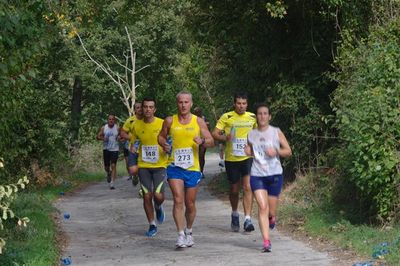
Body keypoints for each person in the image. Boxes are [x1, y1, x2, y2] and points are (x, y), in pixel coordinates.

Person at [158, 91, 214, 248]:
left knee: (190, 203)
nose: (183, 105)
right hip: (174, 165)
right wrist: (164, 144)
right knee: (178, 199)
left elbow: (211, 141)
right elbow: (160, 137)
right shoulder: (169, 121)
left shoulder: (198, 122)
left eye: (186, 102)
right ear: (177, 103)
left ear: (191, 103)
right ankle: (180, 234)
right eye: (180, 102)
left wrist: (202, 140)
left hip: (193, 167)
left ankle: (189, 231)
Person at [244, 103, 292, 252]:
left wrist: (276, 151)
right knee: (262, 207)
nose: (262, 116)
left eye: (265, 113)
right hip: (257, 174)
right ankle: (266, 241)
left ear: (269, 116)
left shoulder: (276, 132)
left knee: (271, 210)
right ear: (256, 117)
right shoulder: (251, 134)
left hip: (275, 174)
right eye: (259, 114)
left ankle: (272, 217)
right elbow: (252, 151)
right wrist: (248, 151)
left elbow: (288, 151)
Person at [212, 92, 257, 232]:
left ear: (247, 104)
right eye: (239, 103)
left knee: (248, 187)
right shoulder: (227, 117)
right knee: (234, 190)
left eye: (244, 103)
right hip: (232, 159)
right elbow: (214, 133)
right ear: (234, 104)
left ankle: (248, 219)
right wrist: (226, 137)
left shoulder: (252, 117)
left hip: (247, 158)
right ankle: (234, 213)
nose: (241, 106)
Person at [129, 98, 168, 237]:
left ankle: (158, 206)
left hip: (160, 165)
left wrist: (168, 148)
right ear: (142, 108)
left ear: (154, 109)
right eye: (145, 107)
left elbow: (170, 141)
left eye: (151, 107)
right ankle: (152, 224)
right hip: (144, 165)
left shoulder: (162, 123)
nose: (148, 109)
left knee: (157, 196)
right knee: (147, 196)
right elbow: (133, 144)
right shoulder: (136, 125)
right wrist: (132, 156)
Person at [120, 102, 143, 187]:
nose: (140, 109)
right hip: (134, 148)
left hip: (145, 149)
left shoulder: (148, 119)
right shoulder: (130, 120)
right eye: (137, 108)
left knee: (143, 170)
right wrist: (131, 138)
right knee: (133, 170)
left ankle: (142, 189)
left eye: (141, 107)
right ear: (134, 110)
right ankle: (135, 176)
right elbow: (122, 133)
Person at [96, 114, 120, 190]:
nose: (111, 121)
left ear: (114, 121)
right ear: (107, 120)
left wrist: (119, 137)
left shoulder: (117, 128)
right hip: (106, 149)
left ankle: (112, 183)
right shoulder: (104, 128)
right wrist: (103, 138)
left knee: (113, 165)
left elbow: (122, 136)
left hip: (115, 149)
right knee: (106, 167)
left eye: (113, 119)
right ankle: (108, 173)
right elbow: (97, 137)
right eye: (110, 119)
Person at [193, 107, 209, 177]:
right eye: (195, 112)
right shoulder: (192, 119)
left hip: (203, 140)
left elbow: (209, 128)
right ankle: (196, 171)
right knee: (195, 156)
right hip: (194, 140)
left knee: (201, 156)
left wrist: (207, 138)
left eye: (198, 112)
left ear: (201, 112)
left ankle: (201, 171)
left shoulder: (205, 119)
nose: (197, 113)